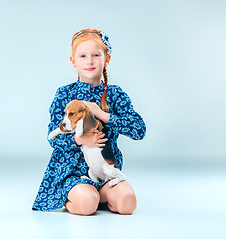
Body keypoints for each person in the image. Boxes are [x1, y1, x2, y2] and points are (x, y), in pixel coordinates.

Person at [32, 28, 146, 215]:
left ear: (106, 59)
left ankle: (101, 193)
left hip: (105, 171)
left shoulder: (115, 94)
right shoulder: (64, 94)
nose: (90, 61)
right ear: (73, 61)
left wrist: (102, 114)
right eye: (83, 56)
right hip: (73, 172)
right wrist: (80, 140)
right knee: (87, 204)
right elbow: (52, 137)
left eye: (96, 55)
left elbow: (139, 130)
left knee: (127, 203)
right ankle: (69, 195)